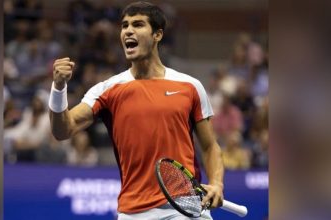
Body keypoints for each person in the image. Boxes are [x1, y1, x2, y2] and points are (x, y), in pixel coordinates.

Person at [48, 2, 224, 219]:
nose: (128, 31)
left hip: (184, 207)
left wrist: (216, 183)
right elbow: (63, 130)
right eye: (124, 26)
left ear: (157, 35)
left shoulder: (190, 86)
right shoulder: (107, 90)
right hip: (133, 211)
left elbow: (209, 146)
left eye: (138, 24)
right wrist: (58, 88)